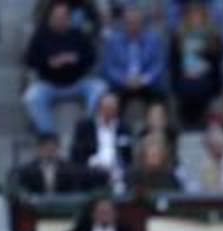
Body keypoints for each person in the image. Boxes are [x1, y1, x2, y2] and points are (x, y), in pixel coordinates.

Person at [22, 2, 107, 135]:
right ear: (50, 18)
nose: (60, 20)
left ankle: (87, 125)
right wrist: (48, 62)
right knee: (32, 97)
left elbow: (91, 57)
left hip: (77, 82)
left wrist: (75, 59)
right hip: (50, 84)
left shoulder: (78, 34)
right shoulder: (40, 36)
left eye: (63, 17)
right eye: (57, 17)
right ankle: (47, 134)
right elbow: (30, 60)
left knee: (99, 88)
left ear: (69, 19)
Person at [169, 0, 223, 130]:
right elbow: (173, 61)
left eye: (198, 15)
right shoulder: (178, 35)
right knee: (185, 86)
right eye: (192, 15)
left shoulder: (213, 34)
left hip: (207, 76)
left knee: (202, 86)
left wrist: (205, 52)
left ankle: (201, 120)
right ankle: (188, 121)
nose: (195, 18)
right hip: (185, 76)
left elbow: (217, 61)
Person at [101, 7, 167, 114]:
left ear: (142, 23)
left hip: (146, 82)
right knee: (111, 99)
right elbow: (108, 67)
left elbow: (158, 65)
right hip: (122, 82)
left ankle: (155, 129)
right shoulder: (113, 41)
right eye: (129, 23)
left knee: (159, 97)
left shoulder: (153, 40)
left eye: (136, 22)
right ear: (124, 23)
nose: (133, 26)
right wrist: (123, 79)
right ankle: (117, 128)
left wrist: (144, 79)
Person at [70, 92, 134, 184]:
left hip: (117, 172)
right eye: (106, 108)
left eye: (112, 108)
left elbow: (128, 156)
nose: (108, 111)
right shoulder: (85, 126)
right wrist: (92, 162)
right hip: (91, 171)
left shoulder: (124, 128)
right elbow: (77, 153)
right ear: (99, 108)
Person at [14, 134, 103, 194]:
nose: (49, 151)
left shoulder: (69, 169)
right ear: (39, 148)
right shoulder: (28, 170)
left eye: (52, 147)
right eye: (46, 147)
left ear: (57, 148)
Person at [64, 196, 133, 231]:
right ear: (93, 215)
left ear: (115, 214)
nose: (104, 215)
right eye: (101, 212)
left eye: (108, 212)